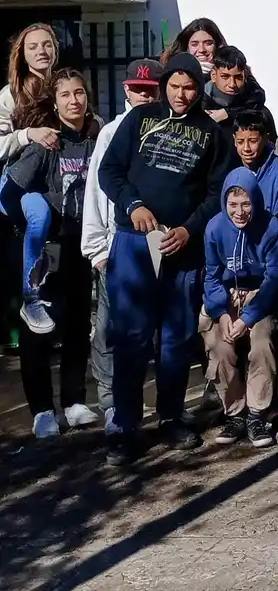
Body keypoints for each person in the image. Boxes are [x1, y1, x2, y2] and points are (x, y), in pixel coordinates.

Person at [97, 52, 236, 464]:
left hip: (182, 247)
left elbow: (217, 192)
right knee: (131, 337)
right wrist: (133, 205)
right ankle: (124, 425)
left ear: (198, 88)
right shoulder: (139, 119)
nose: (181, 94)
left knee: (176, 338)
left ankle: (171, 417)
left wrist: (190, 229)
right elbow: (110, 171)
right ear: (164, 86)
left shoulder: (212, 133)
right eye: (174, 86)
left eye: (189, 87)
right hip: (135, 242)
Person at [3, 69, 101, 438]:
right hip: (45, 250)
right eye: (66, 95)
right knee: (38, 331)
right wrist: (33, 220)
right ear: (55, 104)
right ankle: (42, 410)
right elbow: (9, 193)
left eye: (79, 93)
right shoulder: (46, 144)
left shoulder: (96, 140)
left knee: (77, 323)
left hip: (80, 245)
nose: (74, 100)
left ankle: (74, 402)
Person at [82, 58, 163, 433]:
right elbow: (97, 191)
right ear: (126, 89)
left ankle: (160, 403)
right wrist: (97, 249)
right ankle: (112, 404)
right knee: (111, 330)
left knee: (156, 332)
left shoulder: (170, 129)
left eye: (151, 90)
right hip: (117, 245)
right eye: (138, 89)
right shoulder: (111, 132)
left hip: (159, 244)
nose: (144, 96)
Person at [200, 167, 278, 448]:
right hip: (226, 297)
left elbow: (274, 277)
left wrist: (248, 317)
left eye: (246, 204)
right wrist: (221, 313)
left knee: (261, 343)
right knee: (218, 345)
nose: (239, 212)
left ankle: (257, 412)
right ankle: (235, 412)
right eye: (233, 204)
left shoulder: (271, 227)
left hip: (260, 296)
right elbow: (211, 276)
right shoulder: (214, 228)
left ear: (256, 202)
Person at [0, 22, 61, 167]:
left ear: (55, 50)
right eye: (33, 47)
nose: (41, 51)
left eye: (47, 45)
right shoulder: (11, 93)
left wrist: (95, 123)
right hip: (27, 175)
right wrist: (27, 135)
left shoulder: (65, 85)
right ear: (23, 55)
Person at [231, 111, 278, 217]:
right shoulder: (229, 166)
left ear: (265, 139)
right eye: (240, 141)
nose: (246, 148)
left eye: (253, 141)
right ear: (234, 140)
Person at [203, 45, 275, 132]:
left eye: (238, 77)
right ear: (213, 75)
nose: (232, 84)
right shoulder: (198, 102)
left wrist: (227, 113)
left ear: (244, 76)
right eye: (225, 77)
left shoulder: (258, 110)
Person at [161, 17, 226, 75]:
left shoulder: (229, 73)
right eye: (194, 44)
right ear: (186, 47)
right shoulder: (173, 75)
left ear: (217, 45)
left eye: (208, 43)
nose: (202, 50)